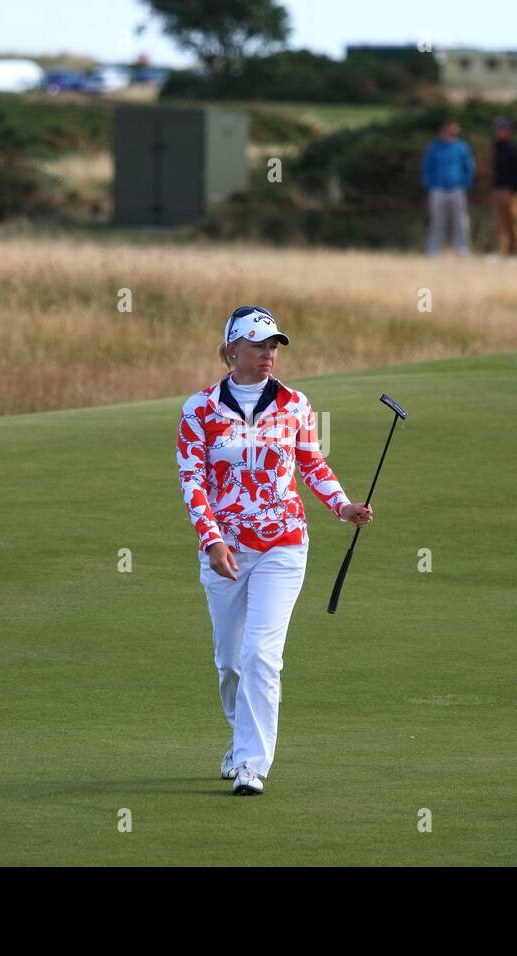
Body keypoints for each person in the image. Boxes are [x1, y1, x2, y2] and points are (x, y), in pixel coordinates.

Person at [176, 306, 374, 796]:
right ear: (231, 351)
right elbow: (192, 480)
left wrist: (342, 505)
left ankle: (250, 765)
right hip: (226, 550)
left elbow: (311, 464)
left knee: (262, 654)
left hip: (283, 543)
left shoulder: (295, 404)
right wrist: (213, 539)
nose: (269, 354)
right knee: (230, 662)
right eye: (258, 345)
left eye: (274, 346)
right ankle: (240, 740)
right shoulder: (197, 410)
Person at [421, 119, 475, 257]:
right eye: (450, 131)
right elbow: (427, 167)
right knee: (437, 222)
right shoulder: (434, 148)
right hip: (438, 190)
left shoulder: (462, 147)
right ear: (443, 131)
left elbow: (469, 167)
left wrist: (466, 183)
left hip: (457, 189)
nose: (452, 134)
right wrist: (429, 184)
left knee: (461, 222)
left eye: (455, 132)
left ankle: (462, 252)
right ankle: (433, 252)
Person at [489, 116, 517, 260]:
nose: (497, 131)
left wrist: (516, 191)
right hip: (499, 190)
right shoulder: (497, 147)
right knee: (500, 224)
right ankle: (501, 253)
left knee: (514, 224)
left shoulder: (514, 148)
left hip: (511, 192)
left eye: (500, 129)